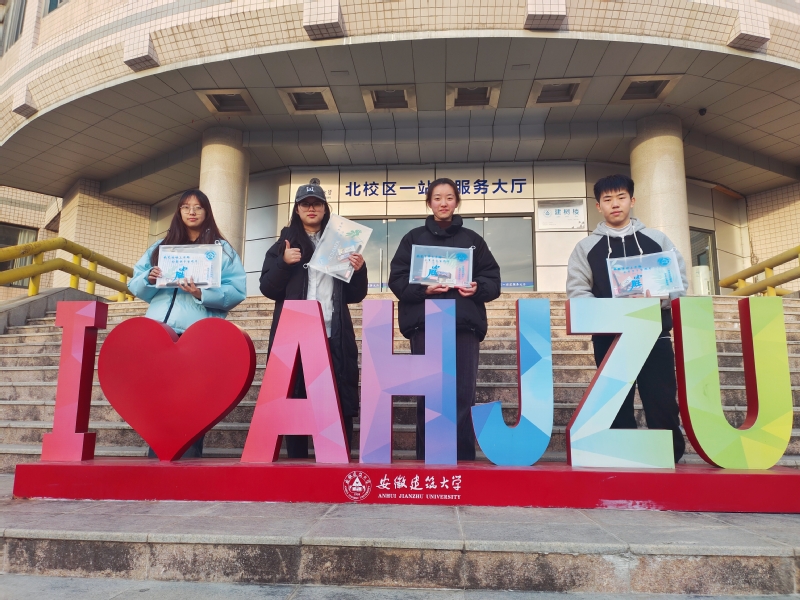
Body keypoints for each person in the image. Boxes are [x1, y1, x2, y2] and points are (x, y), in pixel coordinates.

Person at [566, 173, 688, 462]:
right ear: (598, 206)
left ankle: (669, 457)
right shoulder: (586, 247)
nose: (615, 204)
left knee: (661, 399)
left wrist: (659, 299)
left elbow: (679, 283)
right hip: (609, 338)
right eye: (607, 199)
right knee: (616, 403)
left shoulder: (657, 240)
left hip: (654, 334)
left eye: (621, 197)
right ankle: (623, 459)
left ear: (632, 201)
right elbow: (578, 291)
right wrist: (612, 310)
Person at [129, 189, 247, 458]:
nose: (192, 212)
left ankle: (189, 460)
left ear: (207, 212)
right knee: (159, 400)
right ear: (179, 212)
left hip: (197, 335)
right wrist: (148, 278)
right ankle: (158, 457)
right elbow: (134, 284)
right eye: (185, 207)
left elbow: (237, 291)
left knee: (191, 402)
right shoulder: (161, 248)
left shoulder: (222, 250)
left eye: (198, 207)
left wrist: (202, 293)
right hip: (159, 333)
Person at [389, 178, 501, 461]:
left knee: (463, 394)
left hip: (464, 326)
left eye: (449, 197)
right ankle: (427, 460)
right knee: (428, 394)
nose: (443, 203)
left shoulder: (472, 241)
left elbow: (492, 278)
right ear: (429, 202)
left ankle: (462, 461)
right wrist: (423, 289)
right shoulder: (413, 238)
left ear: (456, 202)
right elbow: (397, 280)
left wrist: (477, 287)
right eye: (437, 198)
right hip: (425, 325)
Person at [259, 183, 367, 458]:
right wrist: (283, 263)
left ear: (324, 208)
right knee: (295, 395)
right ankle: (297, 460)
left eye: (316, 203)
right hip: (294, 335)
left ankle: (338, 457)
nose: (311, 208)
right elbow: (268, 288)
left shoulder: (341, 244)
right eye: (305, 204)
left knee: (337, 395)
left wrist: (359, 270)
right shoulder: (283, 245)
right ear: (297, 209)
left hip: (333, 332)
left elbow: (355, 295)